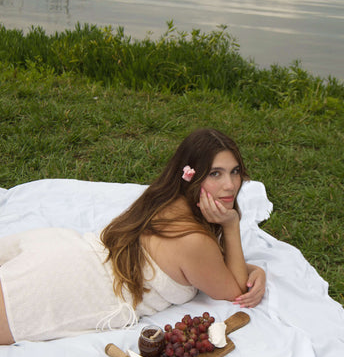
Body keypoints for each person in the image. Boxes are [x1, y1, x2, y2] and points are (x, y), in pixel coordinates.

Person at [0, 128, 266, 345]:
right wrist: (231, 225)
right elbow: (236, 291)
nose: (230, 185)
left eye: (235, 171)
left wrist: (254, 269)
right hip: (71, 285)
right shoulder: (195, 242)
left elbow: (219, 268)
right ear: (191, 176)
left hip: (63, 248)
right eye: (215, 174)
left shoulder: (165, 200)